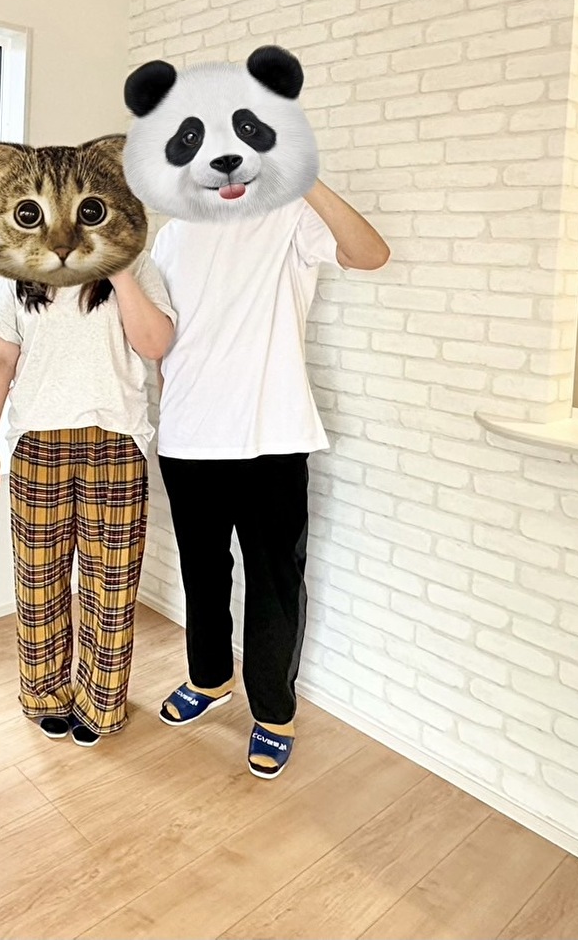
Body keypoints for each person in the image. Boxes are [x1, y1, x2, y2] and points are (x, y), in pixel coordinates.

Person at [152, 179, 389, 777]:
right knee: (202, 574)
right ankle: (209, 679)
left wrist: (305, 178)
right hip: (187, 439)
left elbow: (371, 254)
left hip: (272, 437)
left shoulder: (289, 214)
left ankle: (274, 714)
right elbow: (164, 342)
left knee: (274, 582)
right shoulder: (172, 236)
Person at [0, 261, 175, 746]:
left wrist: (117, 271)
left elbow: (155, 345)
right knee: (38, 580)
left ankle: (101, 703)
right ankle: (45, 694)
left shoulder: (136, 264)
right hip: (38, 439)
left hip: (116, 438)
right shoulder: (18, 268)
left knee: (113, 585)